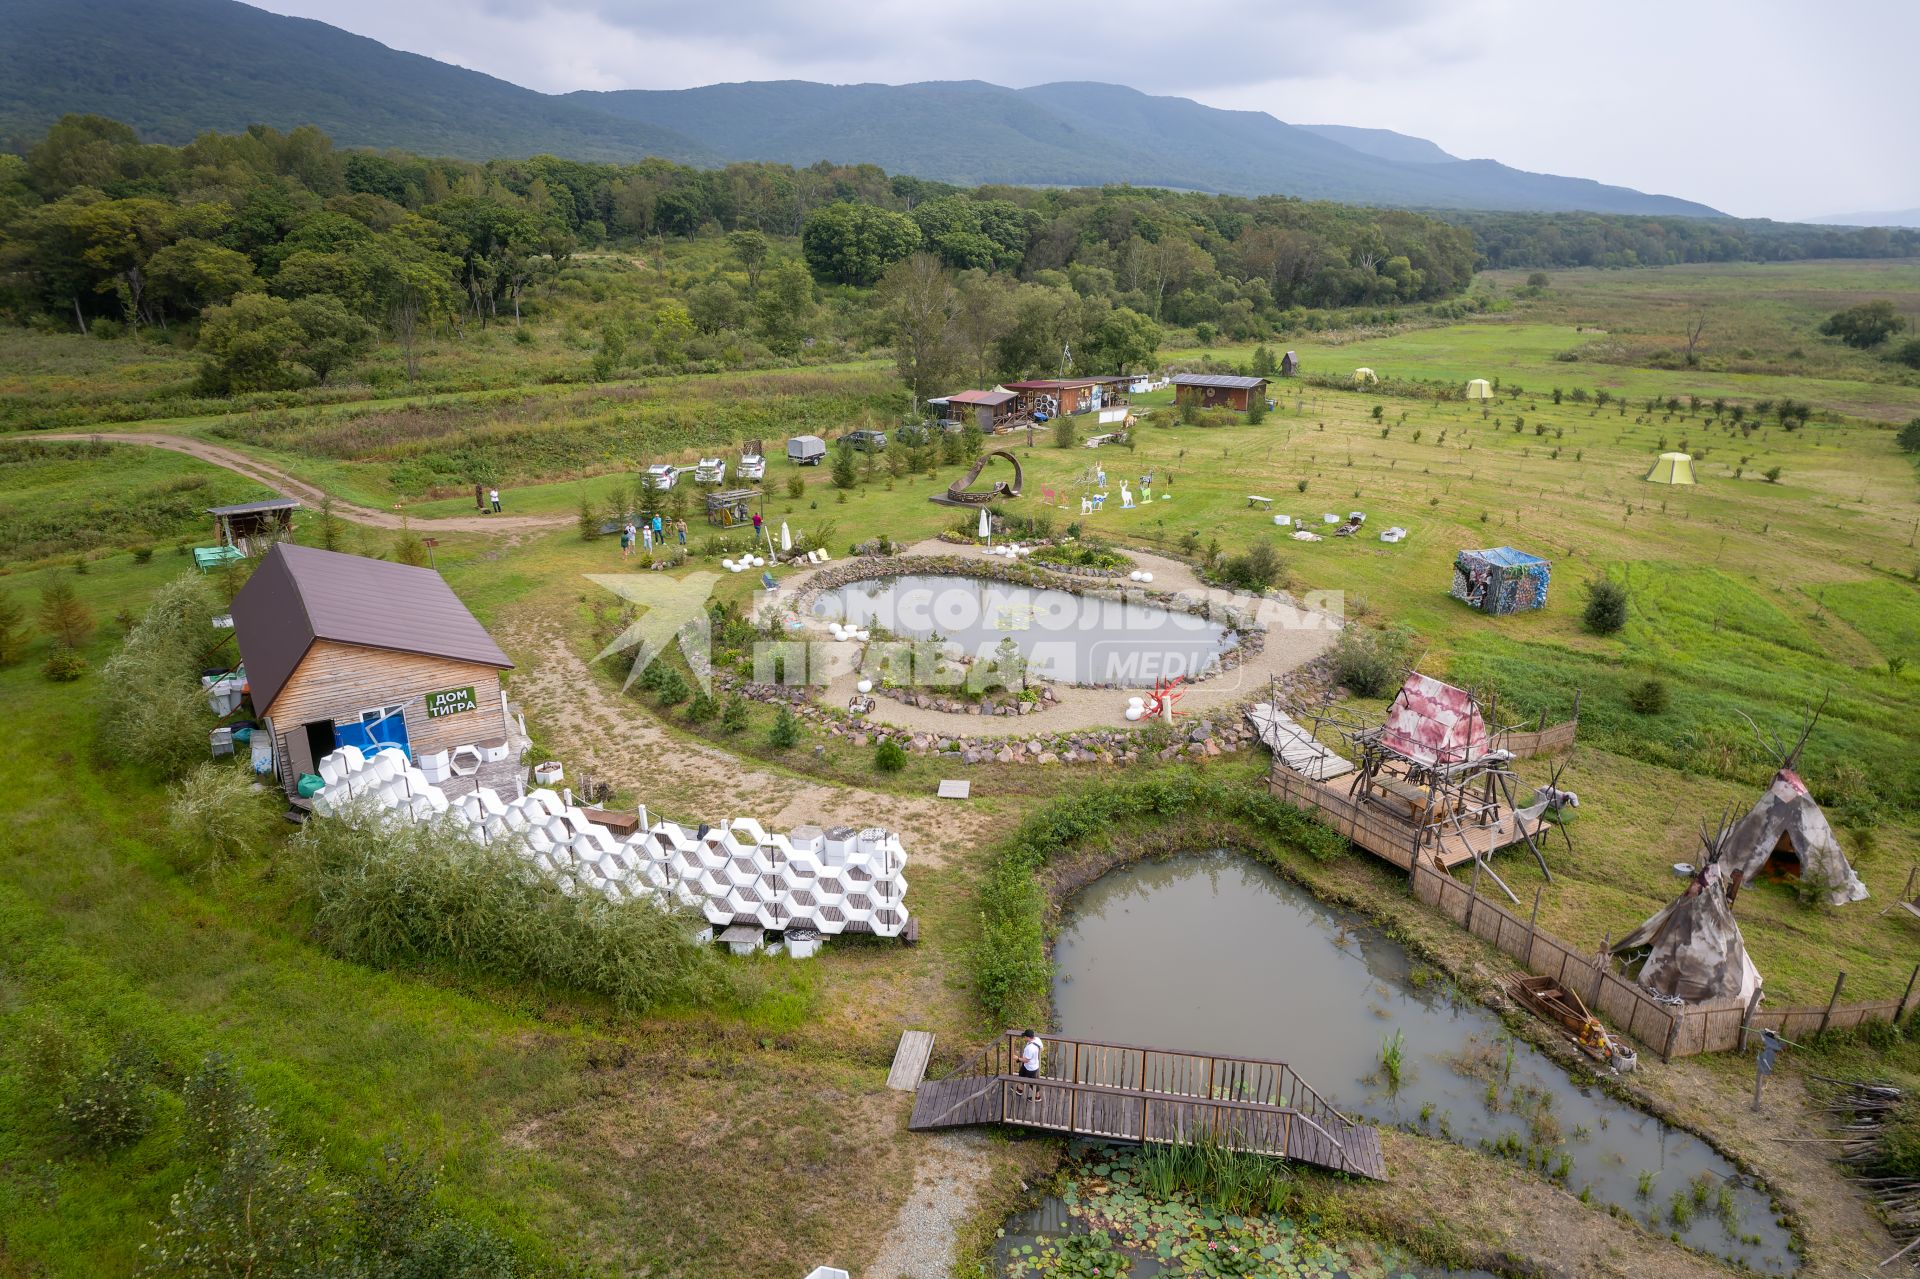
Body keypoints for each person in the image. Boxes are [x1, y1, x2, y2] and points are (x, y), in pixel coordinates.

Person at [1017, 1029, 1043, 1101]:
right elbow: (1042, 1048)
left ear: (1028, 1037)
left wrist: (1017, 1059)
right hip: (1028, 1065)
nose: (1024, 1038)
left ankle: (1037, 1097)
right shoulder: (1037, 1039)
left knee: (1032, 1082)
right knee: (1021, 1075)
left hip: (1031, 1068)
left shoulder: (1030, 1048)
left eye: (1025, 1036)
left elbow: (1026, 1060)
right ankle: (1020, 1089)